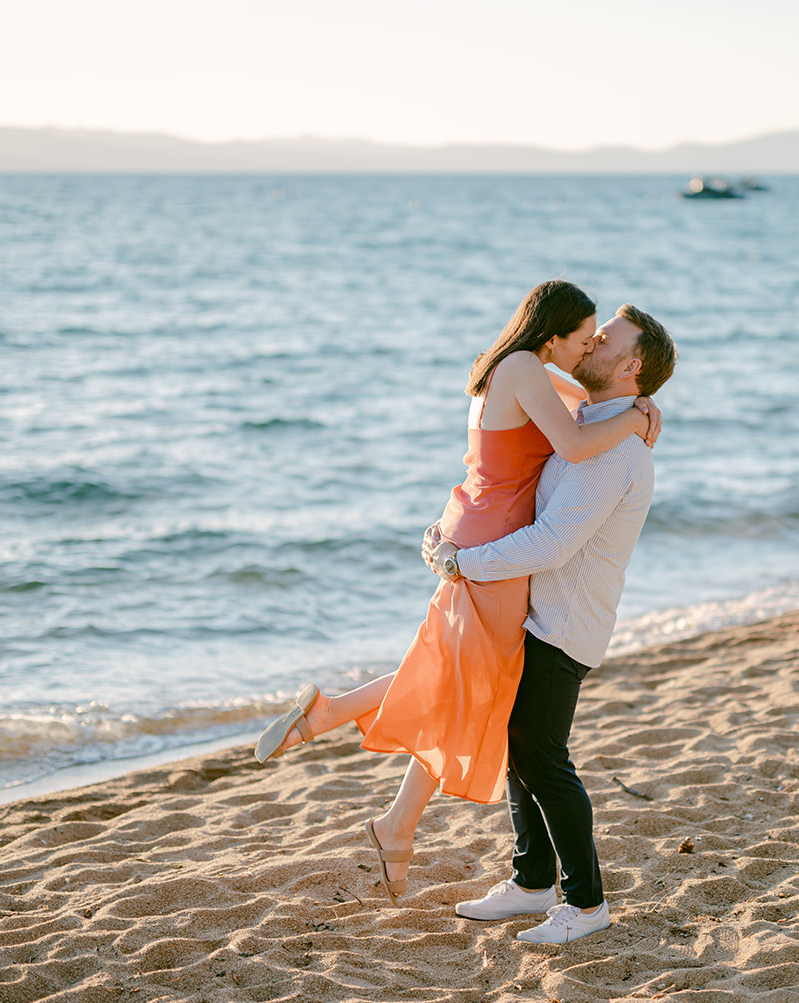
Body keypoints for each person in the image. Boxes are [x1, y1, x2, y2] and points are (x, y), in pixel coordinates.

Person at [250, 280, 660, 907]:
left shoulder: (527, 368)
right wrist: (636, 416)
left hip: (476, 520)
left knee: (459, 674)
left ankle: (391, 817)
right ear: (554, 335)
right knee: (465, 679)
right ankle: (338, 734)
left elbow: (586, 409)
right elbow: (578, 442)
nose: (589, 349)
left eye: (598, 341)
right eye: (584, 338)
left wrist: (638, 406)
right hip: (490, 536)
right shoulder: (527, 368)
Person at [430, 305, 677, 943]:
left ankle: (588, 903)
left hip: (563, 625)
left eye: (605, 339)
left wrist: (463, 563)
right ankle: (532, 883)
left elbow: (549, 546)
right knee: (521, 751)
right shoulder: (592, 424)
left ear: (629, 367)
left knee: (543, 759)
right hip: (536, 614)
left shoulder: (616, 453)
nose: (590, 341)